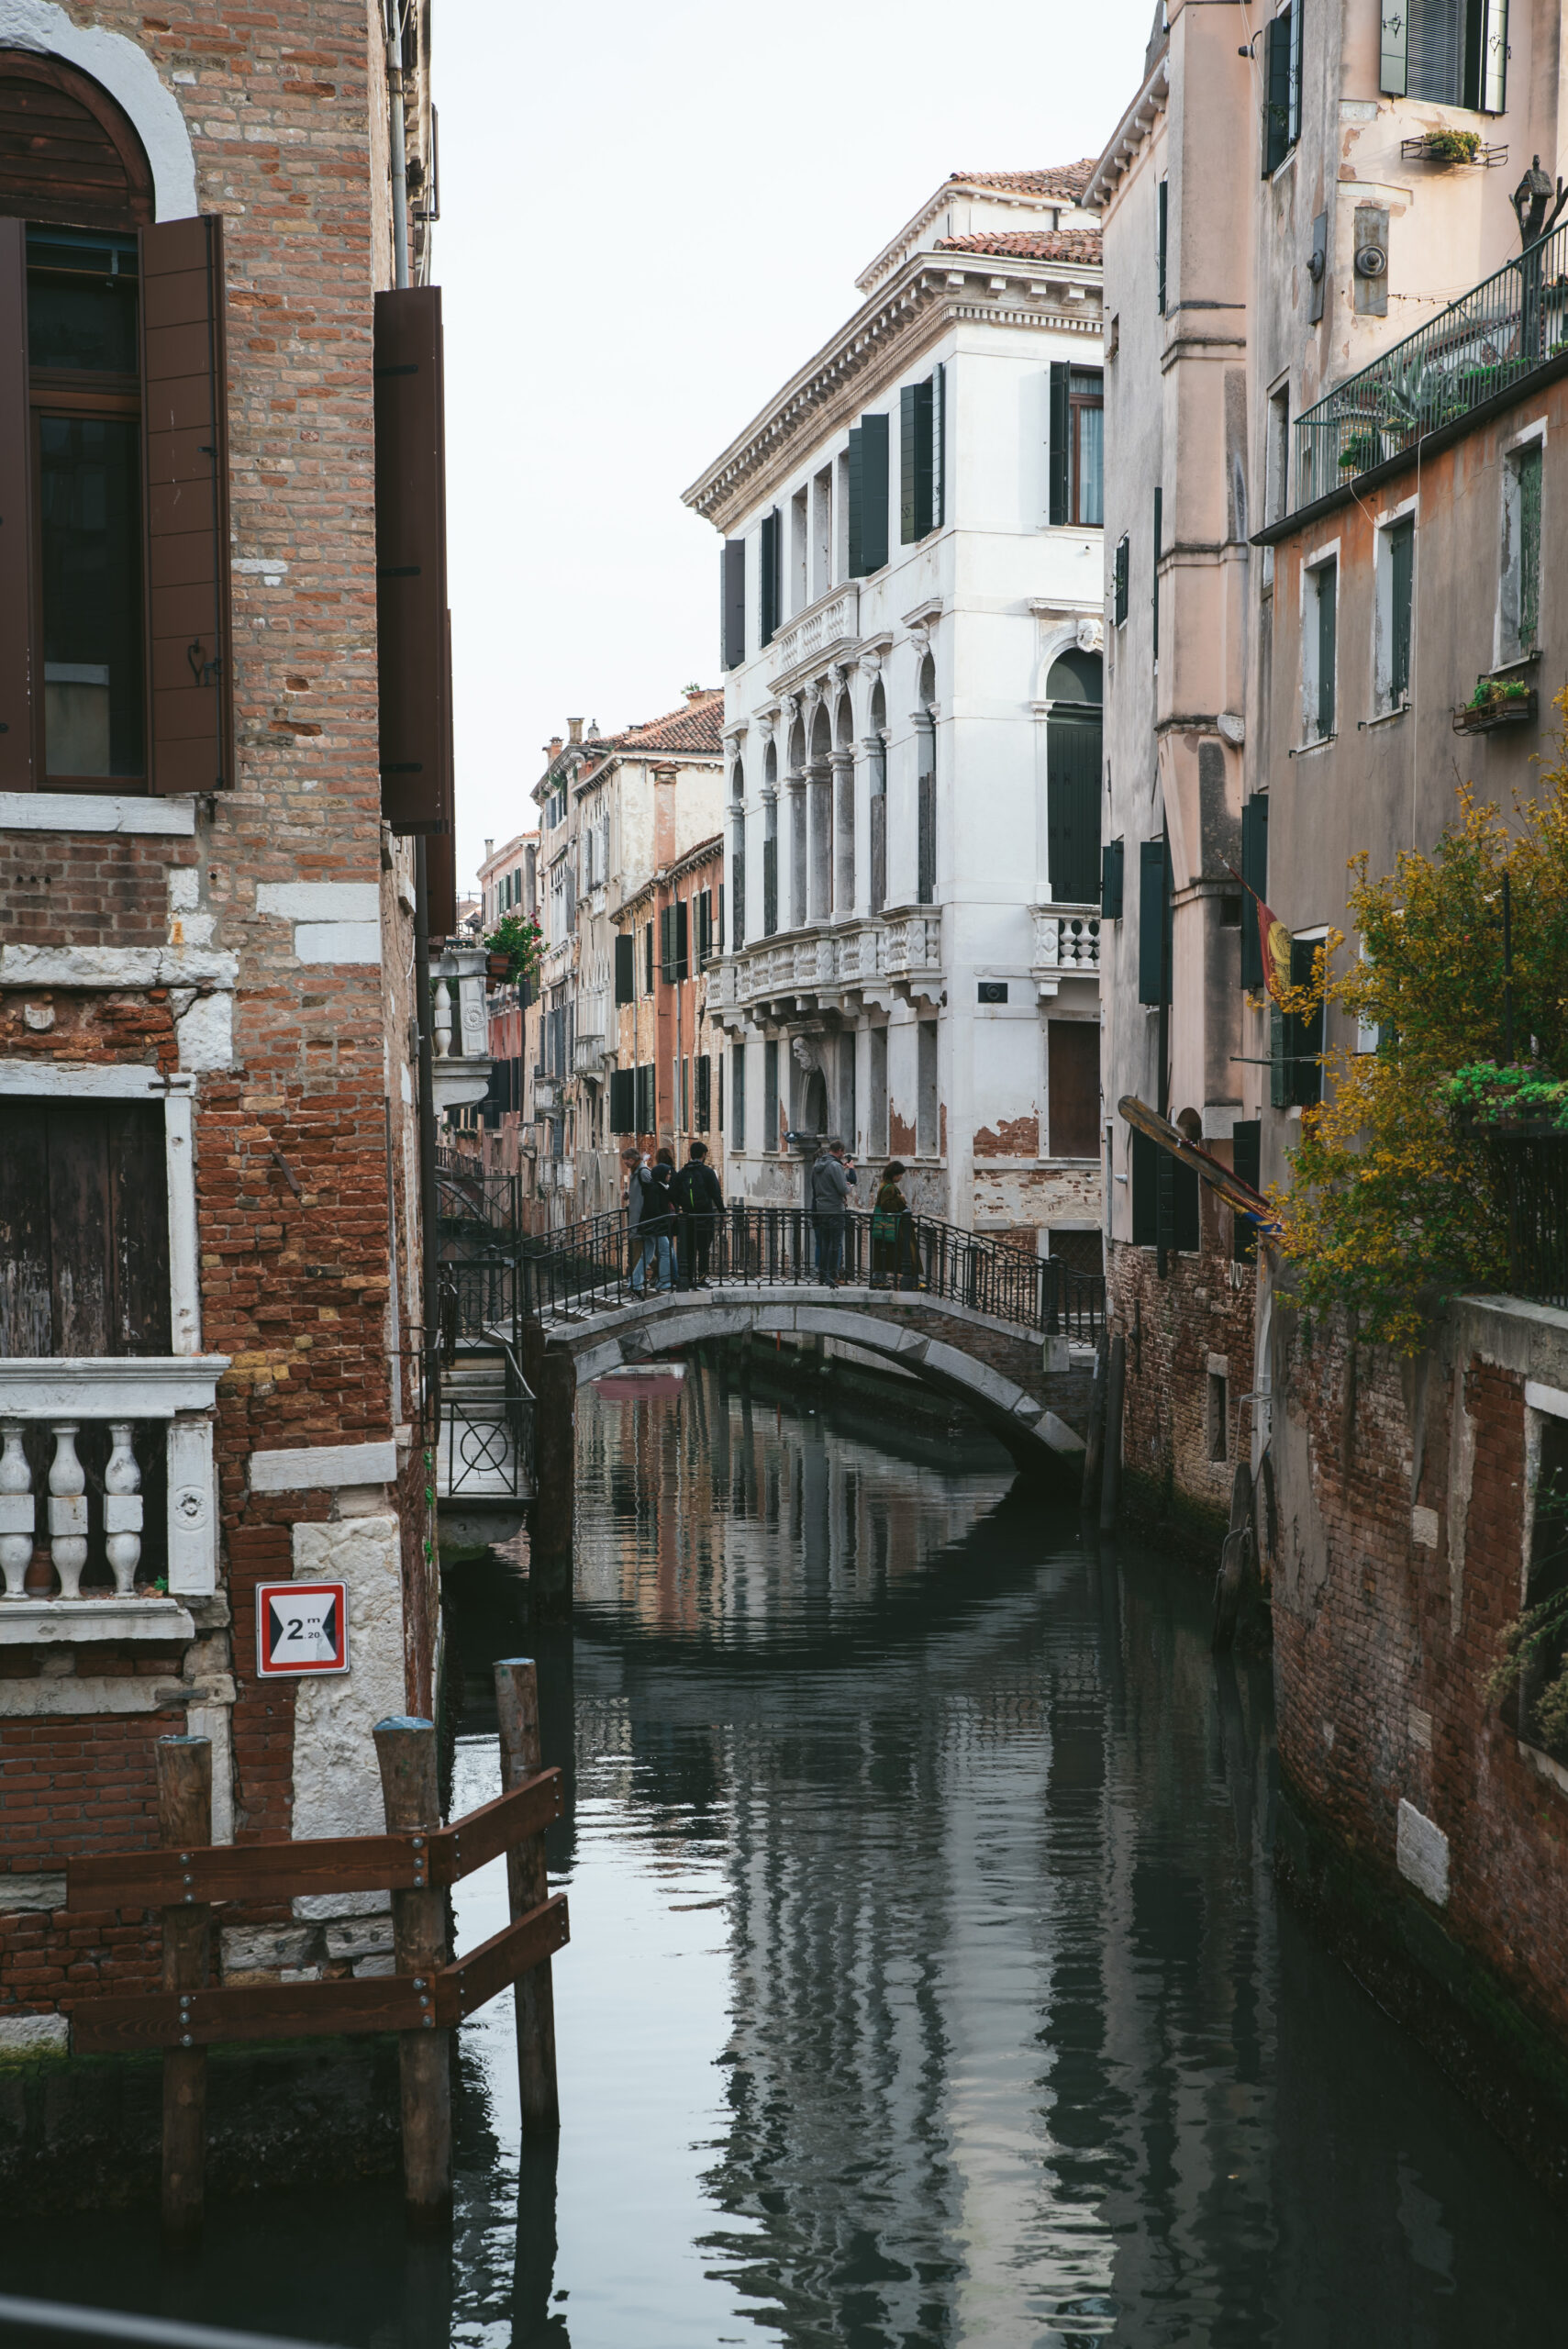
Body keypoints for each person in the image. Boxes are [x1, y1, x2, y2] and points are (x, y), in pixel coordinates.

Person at [672, 1140, 725, 1287]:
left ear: (690, 1154)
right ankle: (701, 1278)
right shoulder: (707, 1172)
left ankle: (687, 1278)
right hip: (705, 1215)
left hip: (687, 1216)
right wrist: (723, 1213)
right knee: (704, 1248)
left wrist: (681, 1206)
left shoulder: (682, 1173)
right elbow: (716, 1194)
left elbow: (673, 1194)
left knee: (689, 1249)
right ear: (703, 1155)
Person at [809, 1138, 851, 1287]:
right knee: (835, 1244)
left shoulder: (817, 1165)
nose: (843, 1155)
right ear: (839, 1151)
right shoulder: (835, 1165)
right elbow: (842, 1189)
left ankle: (823, 1274)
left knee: (825, 1243)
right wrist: (849, 1186)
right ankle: (832, 1275)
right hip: (835, 1210)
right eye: (843, 1152)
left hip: (821, 1209)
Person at [871, 1161, 918, 1290]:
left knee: (884, 1254)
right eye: (900, 1175)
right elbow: (887, 1206)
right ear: (894, 1174)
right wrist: (901, 1198)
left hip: (888, 1227)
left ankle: (879, 1279)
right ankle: (911, 1281)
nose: (901, 1177)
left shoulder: (885, 1185)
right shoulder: (889, 1188)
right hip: (894, 1227)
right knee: (909, 1252)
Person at [637, 1146, 677, 1294]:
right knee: (665, 1251)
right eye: (668, 1174)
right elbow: (654, 1210)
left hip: (656, 1226)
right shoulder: (656, 1188)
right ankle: (665, 1282)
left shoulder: (659, 1187)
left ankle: (636, 1282)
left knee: (652, 1253)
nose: (670, 1176)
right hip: (657, 1226)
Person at [622, 1146, 647, 1294]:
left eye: (626, 1162)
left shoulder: (643, 1172)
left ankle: (635, 1283)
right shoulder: (636, 1172)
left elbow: (651, 1190)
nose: (625, 1164)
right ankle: (636, 1281)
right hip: (637, 1218)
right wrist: (628, 1195)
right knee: (647, 1252)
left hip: (641, 1219)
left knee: (639, 1253)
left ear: (632, 1159)